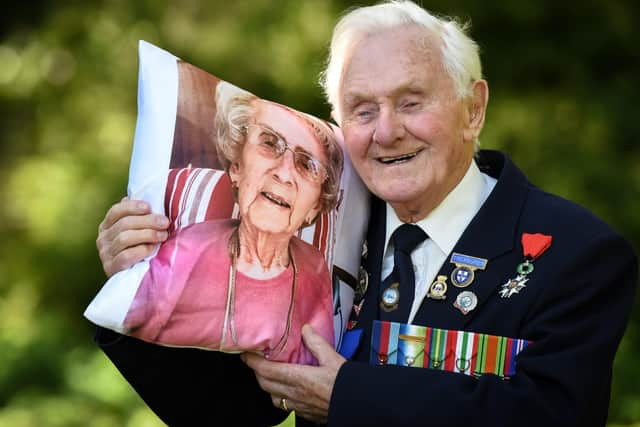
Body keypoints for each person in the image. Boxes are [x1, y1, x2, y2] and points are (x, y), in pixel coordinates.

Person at [94, 1, 638, 426]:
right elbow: (235, 413)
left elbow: (553, 415)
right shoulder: (321, 233)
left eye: (410, 102)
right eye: (362, 110)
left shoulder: (578, 253)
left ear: (473, 109)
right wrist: (139, 295)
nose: (385, 131)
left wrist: (351, 398)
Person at [120, 81, 343, 365]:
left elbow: (317, 370)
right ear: (236, 168)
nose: (284, 175)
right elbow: (133, 328)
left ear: (316, 206)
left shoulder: (315, 269)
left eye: (307, 165)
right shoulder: (187, 252)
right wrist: (124, 271)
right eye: (270, 143)